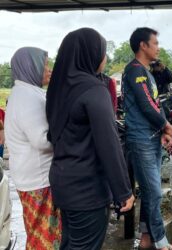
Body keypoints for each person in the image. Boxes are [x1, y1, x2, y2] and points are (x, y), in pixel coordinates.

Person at [46, 28, 134, 250]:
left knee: (71, 243)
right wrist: (123, 191)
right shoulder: (94, 89)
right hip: (87, 189)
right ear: (91, 54)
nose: (104, 58)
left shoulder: (58, 89)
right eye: (102, 52)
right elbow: (109, 144)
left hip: (63, 183)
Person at [122, 27, 172, 250]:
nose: (158, 47)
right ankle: (160, 241)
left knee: (149, 191)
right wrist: (165, 125)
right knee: (153, 191)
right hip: (141, 138)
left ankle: (145, 239)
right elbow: (145, 105)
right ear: (143, 45)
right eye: (155, 43)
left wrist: (163, 130)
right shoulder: (134, 71)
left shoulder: (147, 72)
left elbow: (156, 103)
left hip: (152, 138)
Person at [4, 47, 61, 249]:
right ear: (31, 67)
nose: (49, 69)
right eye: (45, 65)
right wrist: (67, 134)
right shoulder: (27, 97)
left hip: (31, 177)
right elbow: (42, 140)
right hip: (38, 179)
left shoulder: (25, 92)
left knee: (38, 232)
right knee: (44, 237)